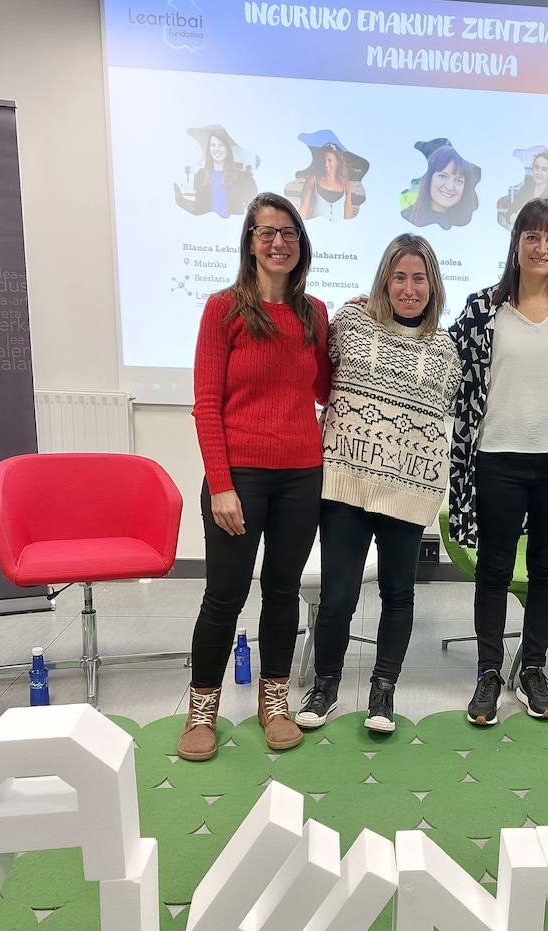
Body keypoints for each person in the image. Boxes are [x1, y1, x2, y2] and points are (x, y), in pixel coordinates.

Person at [178, 193, 332, 760]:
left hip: (301, 475)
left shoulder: (313, 314)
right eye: (266, 232)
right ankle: (202, 709)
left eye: (288, 232)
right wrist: (220, 483)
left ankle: (274, 702)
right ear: (249, 241)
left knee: (282, 591)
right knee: (224, 595)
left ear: (300, 243)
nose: (277, 242)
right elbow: (205, 403)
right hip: (238, 475)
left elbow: (323, 388)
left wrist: (365, 326)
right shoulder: (224, 310)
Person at [296, 235, 459, 734]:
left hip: (408, 492)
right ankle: (325, 687)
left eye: (419, 278)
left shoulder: (446, 350)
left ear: (433, 283)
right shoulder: (348, 324)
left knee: (399, 594)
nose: (409, 289)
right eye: (399, 277)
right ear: (384, 280)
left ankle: (383, 691)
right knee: (338, 597)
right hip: (346, 484)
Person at [448, 198, 548, 726]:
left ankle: (532, 667)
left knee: (547, 569)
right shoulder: (483, 308)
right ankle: (489, 672)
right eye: (532, 237)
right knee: (493, 569)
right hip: (498, 457)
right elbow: (438, 361)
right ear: (515, 243)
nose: (542, 248)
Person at [174, 127, 258, 217]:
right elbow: (199, 208)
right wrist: (179, 196)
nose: (216, 149)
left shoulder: (242, 176)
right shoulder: (201, 175)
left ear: (227, 149)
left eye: (221, 145)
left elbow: (254, 208)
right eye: (213, 145)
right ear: (209, 149)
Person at [402, 144, 480, 229]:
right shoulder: (407, 218)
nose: (450, 187)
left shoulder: (469, 228)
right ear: (429, 178)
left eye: (458, 180)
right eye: (443, 176)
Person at [503, 149, 548, 224]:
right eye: (536, 167)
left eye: (544, 169)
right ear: (532, 169)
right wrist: (516, 219)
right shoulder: (525, 190)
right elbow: (509, 214)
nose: (539, 172)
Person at [299, 143, 357, 222]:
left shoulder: (346, 185)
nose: (326, 164)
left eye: (330, 160)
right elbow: (303, 209)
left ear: (338, 162)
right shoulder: (312, 180)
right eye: (324, 160)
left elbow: (348, 216)